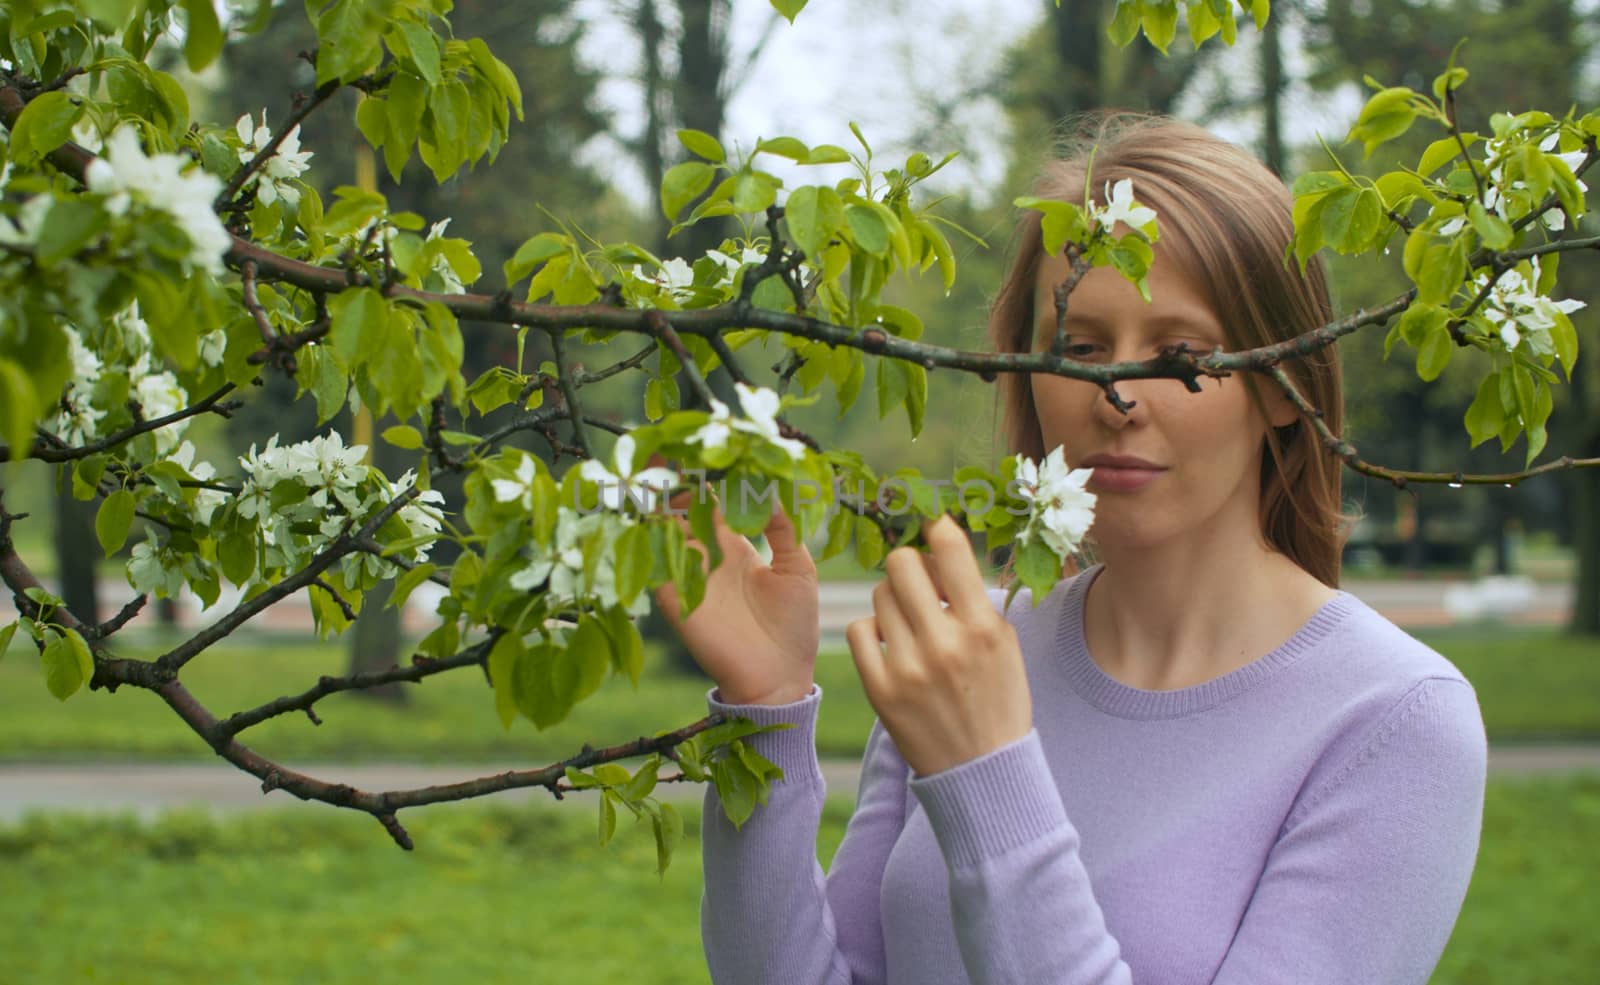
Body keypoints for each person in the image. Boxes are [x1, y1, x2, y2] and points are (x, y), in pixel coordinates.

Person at [653, 112, 1487, 985]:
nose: (1116, 393)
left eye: (1181, 353)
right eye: (1079, 346)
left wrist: (988, 774)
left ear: (1287, 385)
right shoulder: (978, 648)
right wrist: (769, 711)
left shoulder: (1394, 721)